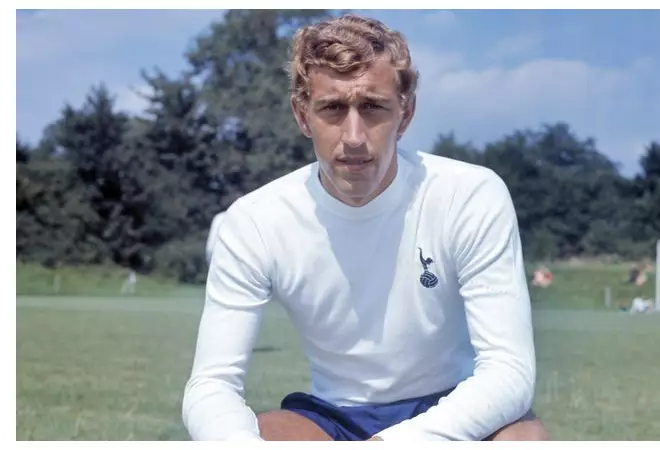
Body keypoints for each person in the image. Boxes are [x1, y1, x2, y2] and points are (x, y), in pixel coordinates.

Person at [182, 14, 545, 442]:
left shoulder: (468, 195)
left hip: (451, 403)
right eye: (332, 108)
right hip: (333, 415)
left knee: (523, 439)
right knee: (266, 434)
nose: (353, 136)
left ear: (405, 114)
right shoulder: (254, 221)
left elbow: (509, 372)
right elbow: (211, 385)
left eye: (372, 107)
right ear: (302, 115)